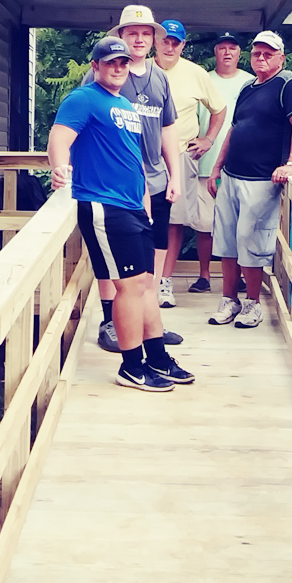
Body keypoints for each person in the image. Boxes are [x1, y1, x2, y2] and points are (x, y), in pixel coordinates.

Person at [47, 36, 194, 392]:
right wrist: (58, 167)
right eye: (110, 62)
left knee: (146, 286)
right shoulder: (83, 98)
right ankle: (131, 366)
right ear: (95, 66)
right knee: (127, 287)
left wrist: (144, 198)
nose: (117, 68)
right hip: (103, 206)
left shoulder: (127, 105)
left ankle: (157, 357)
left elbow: (133, 159)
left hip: (134, 207)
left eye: (123, 63)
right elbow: (59, 138)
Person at [83, 4, 183, 353]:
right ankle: (112, 320)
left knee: (151, 257)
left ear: (154, 39)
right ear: (120, 36)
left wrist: (175, 174)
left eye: (146, 34)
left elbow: (168, 128)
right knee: (114, 261)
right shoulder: (103, 76)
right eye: (132, 33)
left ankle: (147, 320)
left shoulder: (160, 79)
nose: (139, 39)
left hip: (154, 184)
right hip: (115, 188)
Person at [207, 30, 292, 329]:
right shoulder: (248, 88)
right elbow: (234, 129)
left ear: (281, 56)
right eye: (257, 53)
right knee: (226, 242)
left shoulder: (288, 83)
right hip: (232, 176)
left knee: (249, 242)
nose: (261, 58)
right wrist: (216, 168)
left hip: (262, 179)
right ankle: (229, 300)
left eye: (268, 53)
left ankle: (252, 303)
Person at [154, 19, 226, 308]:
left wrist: (208, 139)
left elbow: (219, 110)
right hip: (141, 156)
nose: (170, 46)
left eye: (176, 42)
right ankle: (140, 280)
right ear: (156, 42)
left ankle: (164, 282)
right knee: (137, 217)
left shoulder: (196, 73)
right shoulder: (140, 69)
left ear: (183, 45)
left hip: (182, 155)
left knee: (174, 221)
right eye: (165, 41)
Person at [189, 32, 254, 293]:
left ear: (240, 53)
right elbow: (190, 117)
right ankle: (204, 275)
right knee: (204, 224)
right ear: (215, 52)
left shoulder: (251, 82)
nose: (227, 52)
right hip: (205, 163)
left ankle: (236, 277)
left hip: (241, 166)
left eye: (233, 48)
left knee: (239, 225)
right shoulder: (204, 79)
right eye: (222, 47)